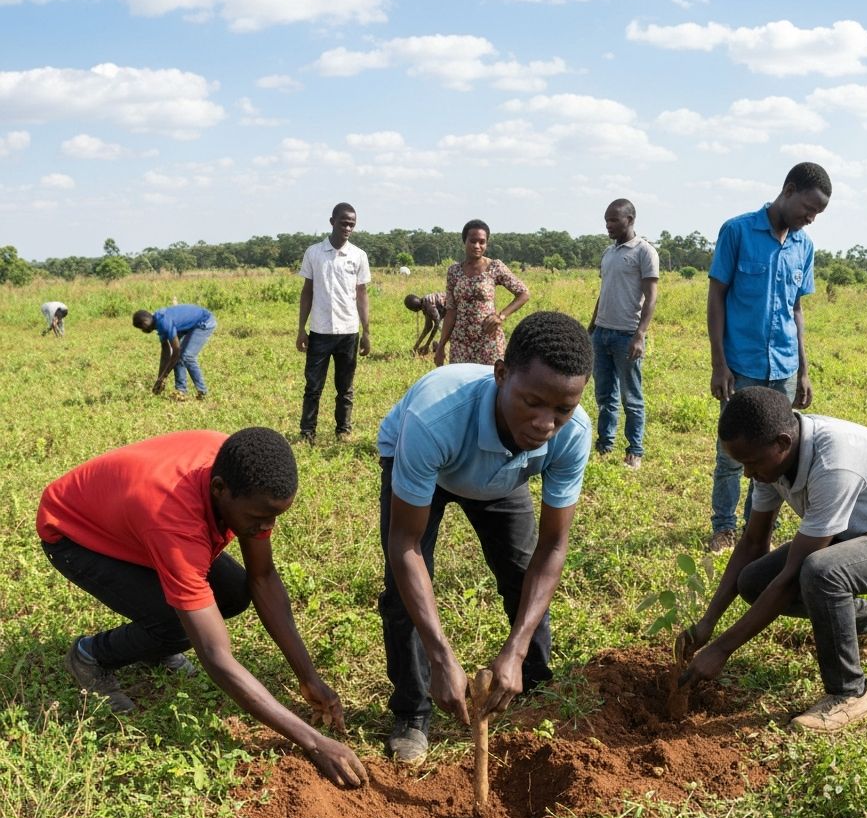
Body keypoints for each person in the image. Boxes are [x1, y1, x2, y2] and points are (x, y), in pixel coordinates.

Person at [37, 427, 366, 788]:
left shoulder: (241, 467)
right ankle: (90, 656)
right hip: (74, 534)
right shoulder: (175, 522)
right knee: (177, 625)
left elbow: (263, 579)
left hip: (132, 524)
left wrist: (308, 677)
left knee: (234, 593)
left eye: (275, 517)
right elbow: (215, 656)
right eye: (259, 517)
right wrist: (314, 742)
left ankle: (155, 649)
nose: (266, 527)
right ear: (220, 489)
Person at [379, 311, 593, 765]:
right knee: (404, 595)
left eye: (562, 408)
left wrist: (513, 650)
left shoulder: (572, 435)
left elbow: (552, 547)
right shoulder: (435, 415)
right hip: (430, 470)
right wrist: (441, 656)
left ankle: (531, 685)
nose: (544, 423)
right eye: (532, 401)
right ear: (500, 374)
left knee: (521, 573)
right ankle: (413, 712)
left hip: (502, 479)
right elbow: (405, 544)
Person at [676, 387, 867, 732]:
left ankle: (849, 694)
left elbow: (794, 577)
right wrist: (707, 623)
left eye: (750, 464)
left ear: (782, 443)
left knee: (821, 572)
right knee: (753, 581)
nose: (747, 475)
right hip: (856, 534)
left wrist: (721, 649)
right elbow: (752, 543)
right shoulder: (770, 463)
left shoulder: (834, 462)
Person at [706, 162, 831, 553]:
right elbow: (716, 297)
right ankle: (724, 527)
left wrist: (804, 371)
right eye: (808, 209)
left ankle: (754, 529)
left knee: (776, 455)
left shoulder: (803, 246)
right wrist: (718, 363)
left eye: (817, 214)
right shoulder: (737, 231)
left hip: (784, 368)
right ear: (788, 190)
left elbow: (797, 310)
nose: (810, 219)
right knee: (732, 452)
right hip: (740, 366)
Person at [587, 198, 659, 470]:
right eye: (606, 220)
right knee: (604, 396)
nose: (608, 225)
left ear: (629, 220)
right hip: (602, 333)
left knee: (632, 397)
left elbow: (651, 297)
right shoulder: (608, 253)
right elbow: (604, 292)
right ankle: (604, 445)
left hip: (627, 335)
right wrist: (592, 325)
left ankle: (635, 450)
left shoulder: (644, 252)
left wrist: (640, 334)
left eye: (613, 220)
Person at [296, 202, 371, 445]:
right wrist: (301, 330)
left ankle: (343, 430)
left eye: (352, 224)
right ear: (332, 222)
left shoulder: (358, 256)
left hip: (349, 332)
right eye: (343, 222)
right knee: (313, 387)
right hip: (319, 331)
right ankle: (308, 433)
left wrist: (367, 332)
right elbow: (307, 292)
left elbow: (362, 294)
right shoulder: (314, 253)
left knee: (345, 388)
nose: (347, 227)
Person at [433, 220, 529, 368]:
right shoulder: (454, 271)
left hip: (489, 342)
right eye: (472, 241)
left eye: (482, 242)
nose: (477, 246)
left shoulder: (494, 267)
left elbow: (523, 293)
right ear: (464, 241)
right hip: (461, 344)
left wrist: (501, 316)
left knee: (492, 385)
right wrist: (441, 346)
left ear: (486, 243)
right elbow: (451, 311)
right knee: (462, 386)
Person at [132, 304, 217, 400]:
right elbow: (165, 353)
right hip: (190, 325)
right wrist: (160, 378)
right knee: (177, 358)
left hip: (204, 321)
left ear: (145, 323)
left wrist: (164, 377)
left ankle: (203, 392)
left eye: (141, 327)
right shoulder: (158, 321)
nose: (143, 330)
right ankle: (181, 392)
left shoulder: (163, 322)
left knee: (187, 356)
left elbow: (176, 350)